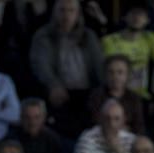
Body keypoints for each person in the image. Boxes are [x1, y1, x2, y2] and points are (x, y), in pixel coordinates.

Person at [28, 0, 103, 139]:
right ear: (55, 13)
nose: (66, 15)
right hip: (59, 92)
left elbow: (98, 66)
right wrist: (53, 85)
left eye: (71, 11)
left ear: (78, 14)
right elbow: (41, 65)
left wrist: (102, 91)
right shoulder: (44, 36)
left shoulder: (89, 36)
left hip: (87, 93)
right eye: (62, 10)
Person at [100, 4, 154, 98]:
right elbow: (107, 68)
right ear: (125, 17)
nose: (137, 17)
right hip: (115, 93)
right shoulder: (109, 41)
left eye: (141, 15)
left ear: (147, 20)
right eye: (133, 14)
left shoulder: (150, 38)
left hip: (140, 95)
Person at [67, 99, 135, 153]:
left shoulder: (131, 139)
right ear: (100, 119)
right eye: (107, 118)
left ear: (123, 120)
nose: (111, 124)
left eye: (116, 119)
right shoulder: (87, 138)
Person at [87, 55, 145, 134]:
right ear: (105, 74)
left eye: (120, 72)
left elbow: (138, 127)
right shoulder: (96, 96)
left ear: (127, 75)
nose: (115, 76)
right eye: (111, 72)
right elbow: (94, 123)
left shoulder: (134, 98)